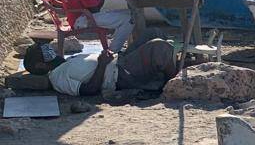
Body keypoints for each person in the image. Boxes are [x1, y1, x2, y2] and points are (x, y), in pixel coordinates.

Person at [23, 39, 177, 97]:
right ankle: (175, 86)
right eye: (44, 51)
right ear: (41, 65)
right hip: (120, 73)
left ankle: (173, 67)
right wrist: (102, 64)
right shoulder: (57, 78)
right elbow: (89, 90)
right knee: (159, 46)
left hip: (119, 59)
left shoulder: (66, 63)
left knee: (151, 33)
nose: (50, 49)